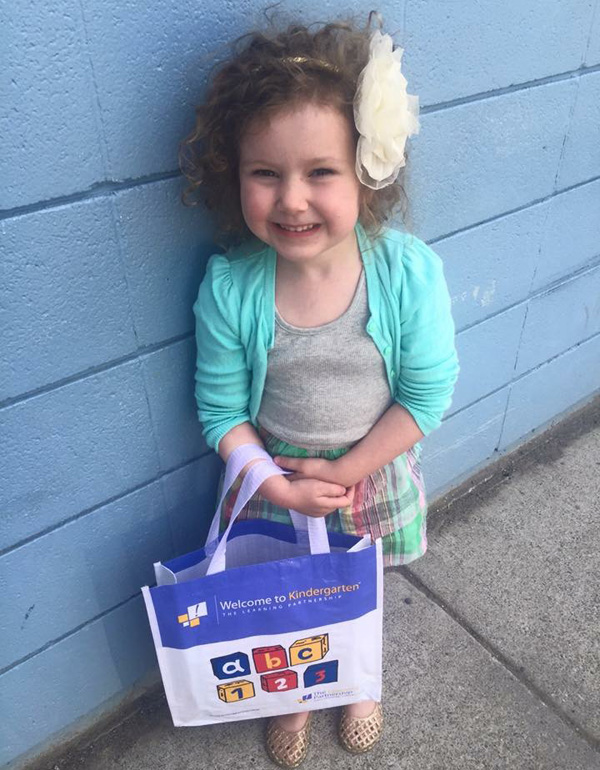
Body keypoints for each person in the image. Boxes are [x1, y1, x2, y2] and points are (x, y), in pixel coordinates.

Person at [182, 14, 459, 768]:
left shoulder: (403, 274)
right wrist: (277, 479)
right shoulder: (233, 287)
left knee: (355, 588)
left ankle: (358, 681)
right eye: (265, 173)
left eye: (320, 171)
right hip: (276, 481)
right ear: (233, 175)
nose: (292, 199)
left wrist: (346, 470)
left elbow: (425, 396)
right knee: (291, 595)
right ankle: (296, 689)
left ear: (367, 169)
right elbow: (221, 413)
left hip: (369, 468)